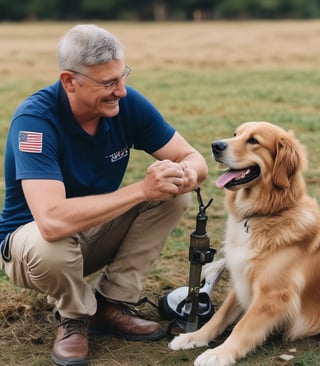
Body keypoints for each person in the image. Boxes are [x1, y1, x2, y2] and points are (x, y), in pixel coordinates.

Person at [0, 24, 208, 366]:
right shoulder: (35, 120)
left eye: (122, 76)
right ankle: (75, 317)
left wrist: (184, 173)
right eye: (108, 83)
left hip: (89, 235)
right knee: (47, 242)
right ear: (69, 81)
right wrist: (141, 190)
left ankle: (112, 304)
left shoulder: (126, 104)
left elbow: (193, 158)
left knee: (173, 193)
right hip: (32, 249)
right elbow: (50, 222)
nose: (121, 91)